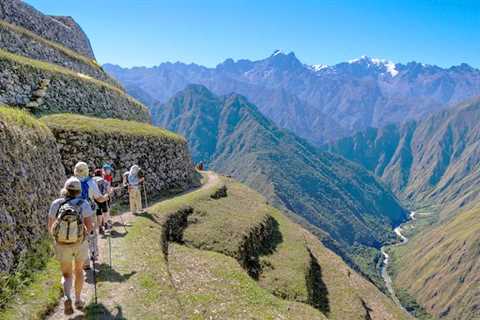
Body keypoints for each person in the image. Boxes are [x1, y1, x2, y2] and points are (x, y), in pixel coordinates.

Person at [48, 177, 94, 315]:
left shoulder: (56, 204)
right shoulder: (84, 203)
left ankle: (67, 297)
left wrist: (58, 239)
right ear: (79, 191)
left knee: (66, 274)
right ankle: (78, 300)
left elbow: (50, 227)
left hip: (62, 245)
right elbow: (90, 227)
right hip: (79, 243)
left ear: (65, 189)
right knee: (79, 270)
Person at [73, 162, 108, 267]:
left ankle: (85, 261)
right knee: (91, 232)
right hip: (89, 211)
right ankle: (93, 254)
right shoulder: (91, 182)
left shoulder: (71, 182)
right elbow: (99, 198)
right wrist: (106, 196)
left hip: (76, 212)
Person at [93, 169, 110, 234]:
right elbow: (107, 190)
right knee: (105, 211)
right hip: (103, 198)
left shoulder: (92, 180)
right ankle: (105, 224)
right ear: (101, 174)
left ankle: (100, 227)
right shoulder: (103, 180)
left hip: (95, 199)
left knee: (98, 213)